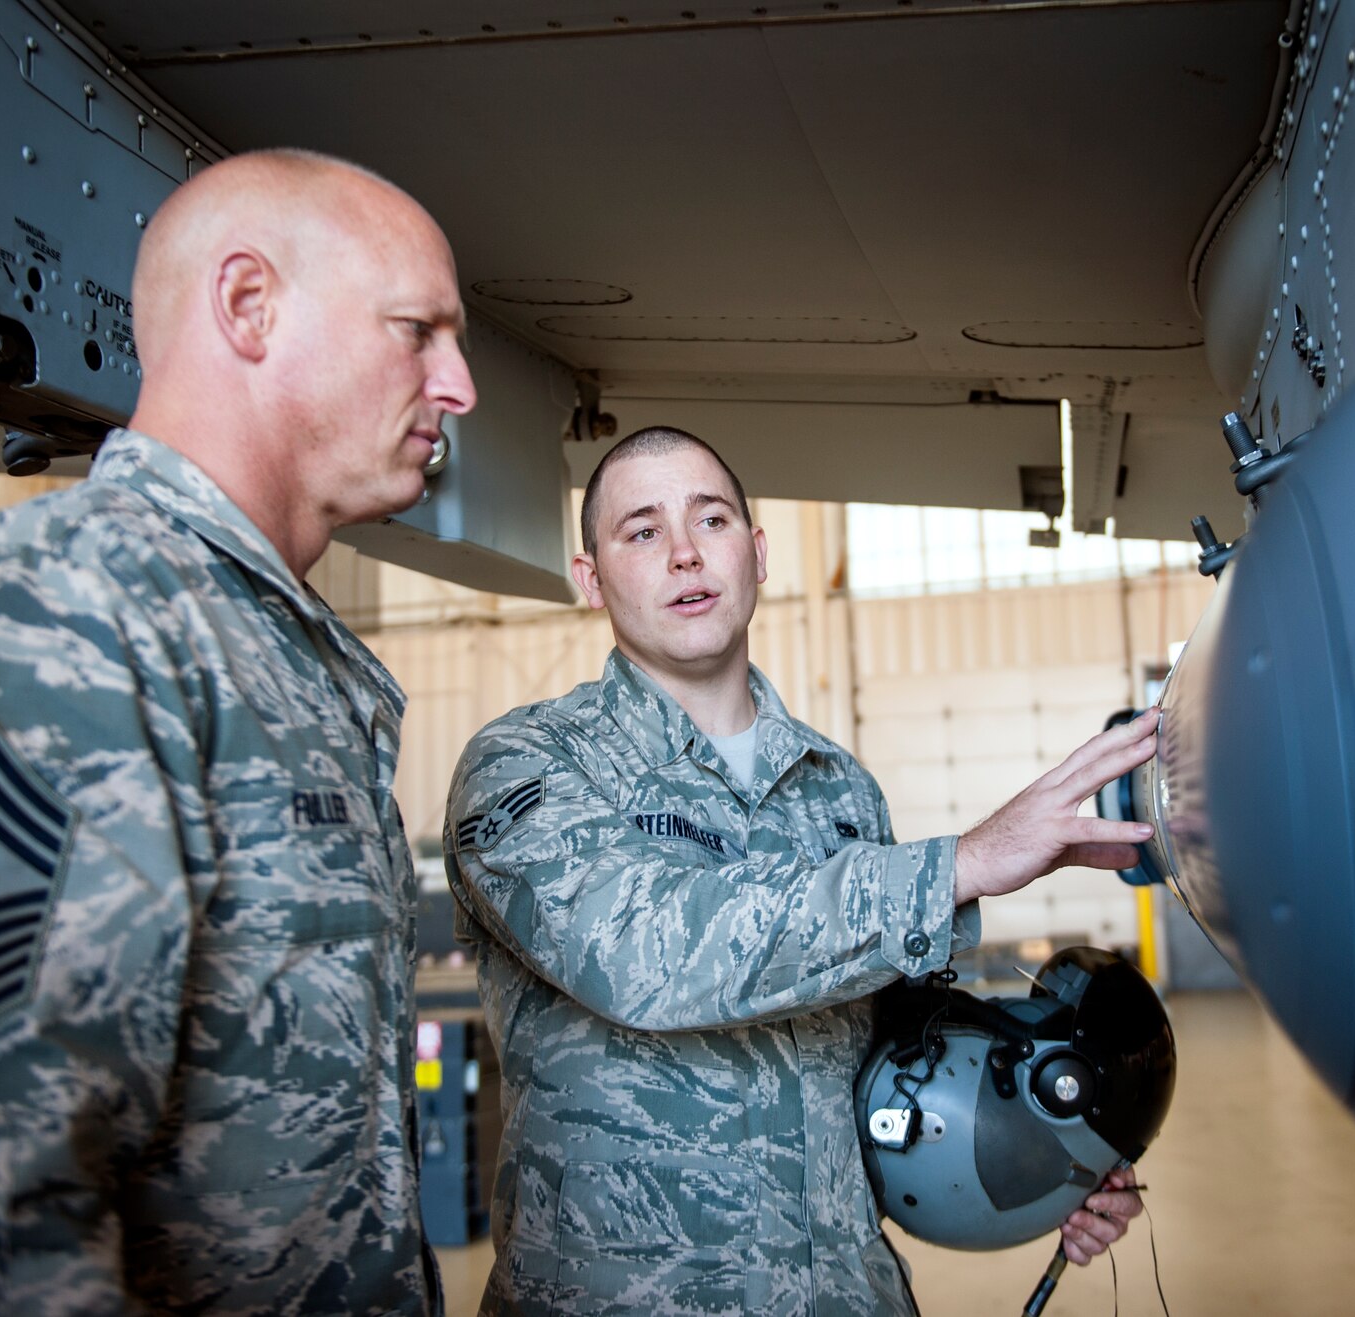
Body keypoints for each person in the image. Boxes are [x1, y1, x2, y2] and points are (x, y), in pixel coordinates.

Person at [0, 149, 475, 1313]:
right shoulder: (38, 623)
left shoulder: (274, 654)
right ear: (248, 308)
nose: (455, 385)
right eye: (418, 331)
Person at [445, 427, 1160, 1316]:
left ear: (757, 551)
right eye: (640, 531)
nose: (683, 553)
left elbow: (895, 1058)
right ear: (591, 579)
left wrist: (1051, 1149)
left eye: (711, 519)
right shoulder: (528, 762)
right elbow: (639, 951)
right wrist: (962, 864)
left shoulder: (840, 791)